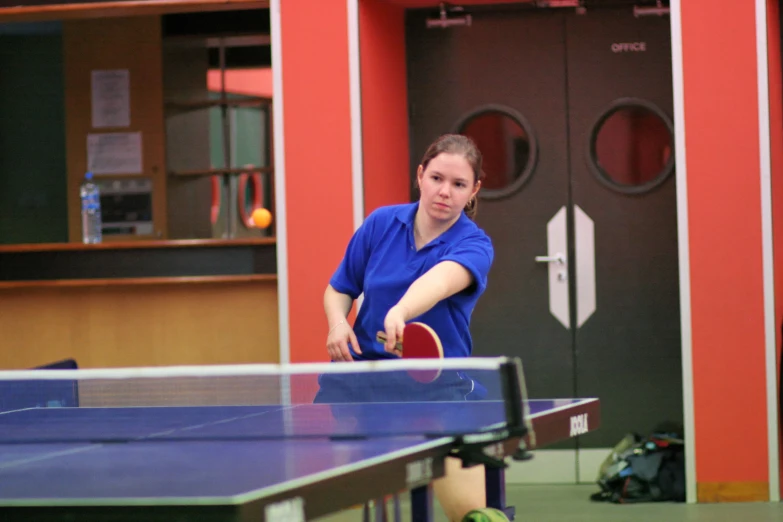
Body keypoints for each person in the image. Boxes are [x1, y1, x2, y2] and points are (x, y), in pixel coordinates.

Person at [317, 134, 495, 522]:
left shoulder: (475, 244)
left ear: (474, 189)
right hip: (368, 381)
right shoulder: (381, 223)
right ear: (420, 175)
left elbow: (440, 282)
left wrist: (400, 311)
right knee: (374, 501)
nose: (444, 191)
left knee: (472, 514)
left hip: (439, 387)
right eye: (436, 178)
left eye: (459, 184)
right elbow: (339, 288)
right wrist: (337, 323)